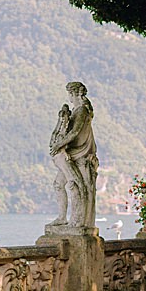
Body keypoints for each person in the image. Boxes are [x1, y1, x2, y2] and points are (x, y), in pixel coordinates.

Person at [49, 81, 97, 228]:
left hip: (79, 152)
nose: (68, 97)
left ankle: (77, 219)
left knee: (74, 184)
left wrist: (59, 144)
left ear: (73, 93)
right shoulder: (77, 109)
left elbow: (75, 132)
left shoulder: (82, 110)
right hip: (70, 152)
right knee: (58, 185)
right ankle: (62, 217)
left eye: (69, 93)